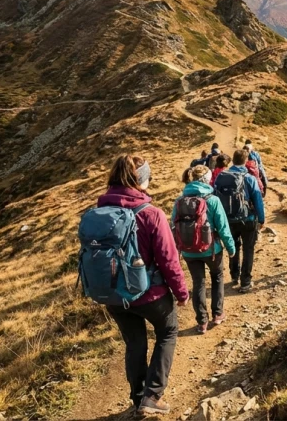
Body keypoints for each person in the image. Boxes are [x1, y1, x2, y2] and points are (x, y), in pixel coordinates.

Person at [97, 155, 188, 416]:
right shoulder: (151, 214)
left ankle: (137, 398)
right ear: (142, 181)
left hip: (114, 296)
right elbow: (169, 260)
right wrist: (181, 293)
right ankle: (152, 395)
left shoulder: (99, 213)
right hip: (150, 294)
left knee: (134, 343)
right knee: (168, 333)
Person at [172, 165, 237, 334]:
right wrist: (231, 248)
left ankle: (202, 322)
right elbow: (223, 227)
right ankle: (218, 313)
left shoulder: (179, 201)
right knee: (217, 278)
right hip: (211, 249)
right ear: (207, 180)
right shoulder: (213, 200)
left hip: (188, 251)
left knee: (198, 283)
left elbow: (174, 226)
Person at [217, 149, 265, 292]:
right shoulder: (249, 178)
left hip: (228, 220)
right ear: (245, 161)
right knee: (248, 249)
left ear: (233, 160)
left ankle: (234, 275)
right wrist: (261, 219)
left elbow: (215, 197)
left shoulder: (221, 177)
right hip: (248, 219)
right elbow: (257, 199)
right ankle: (245, 282)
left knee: (233, 246)